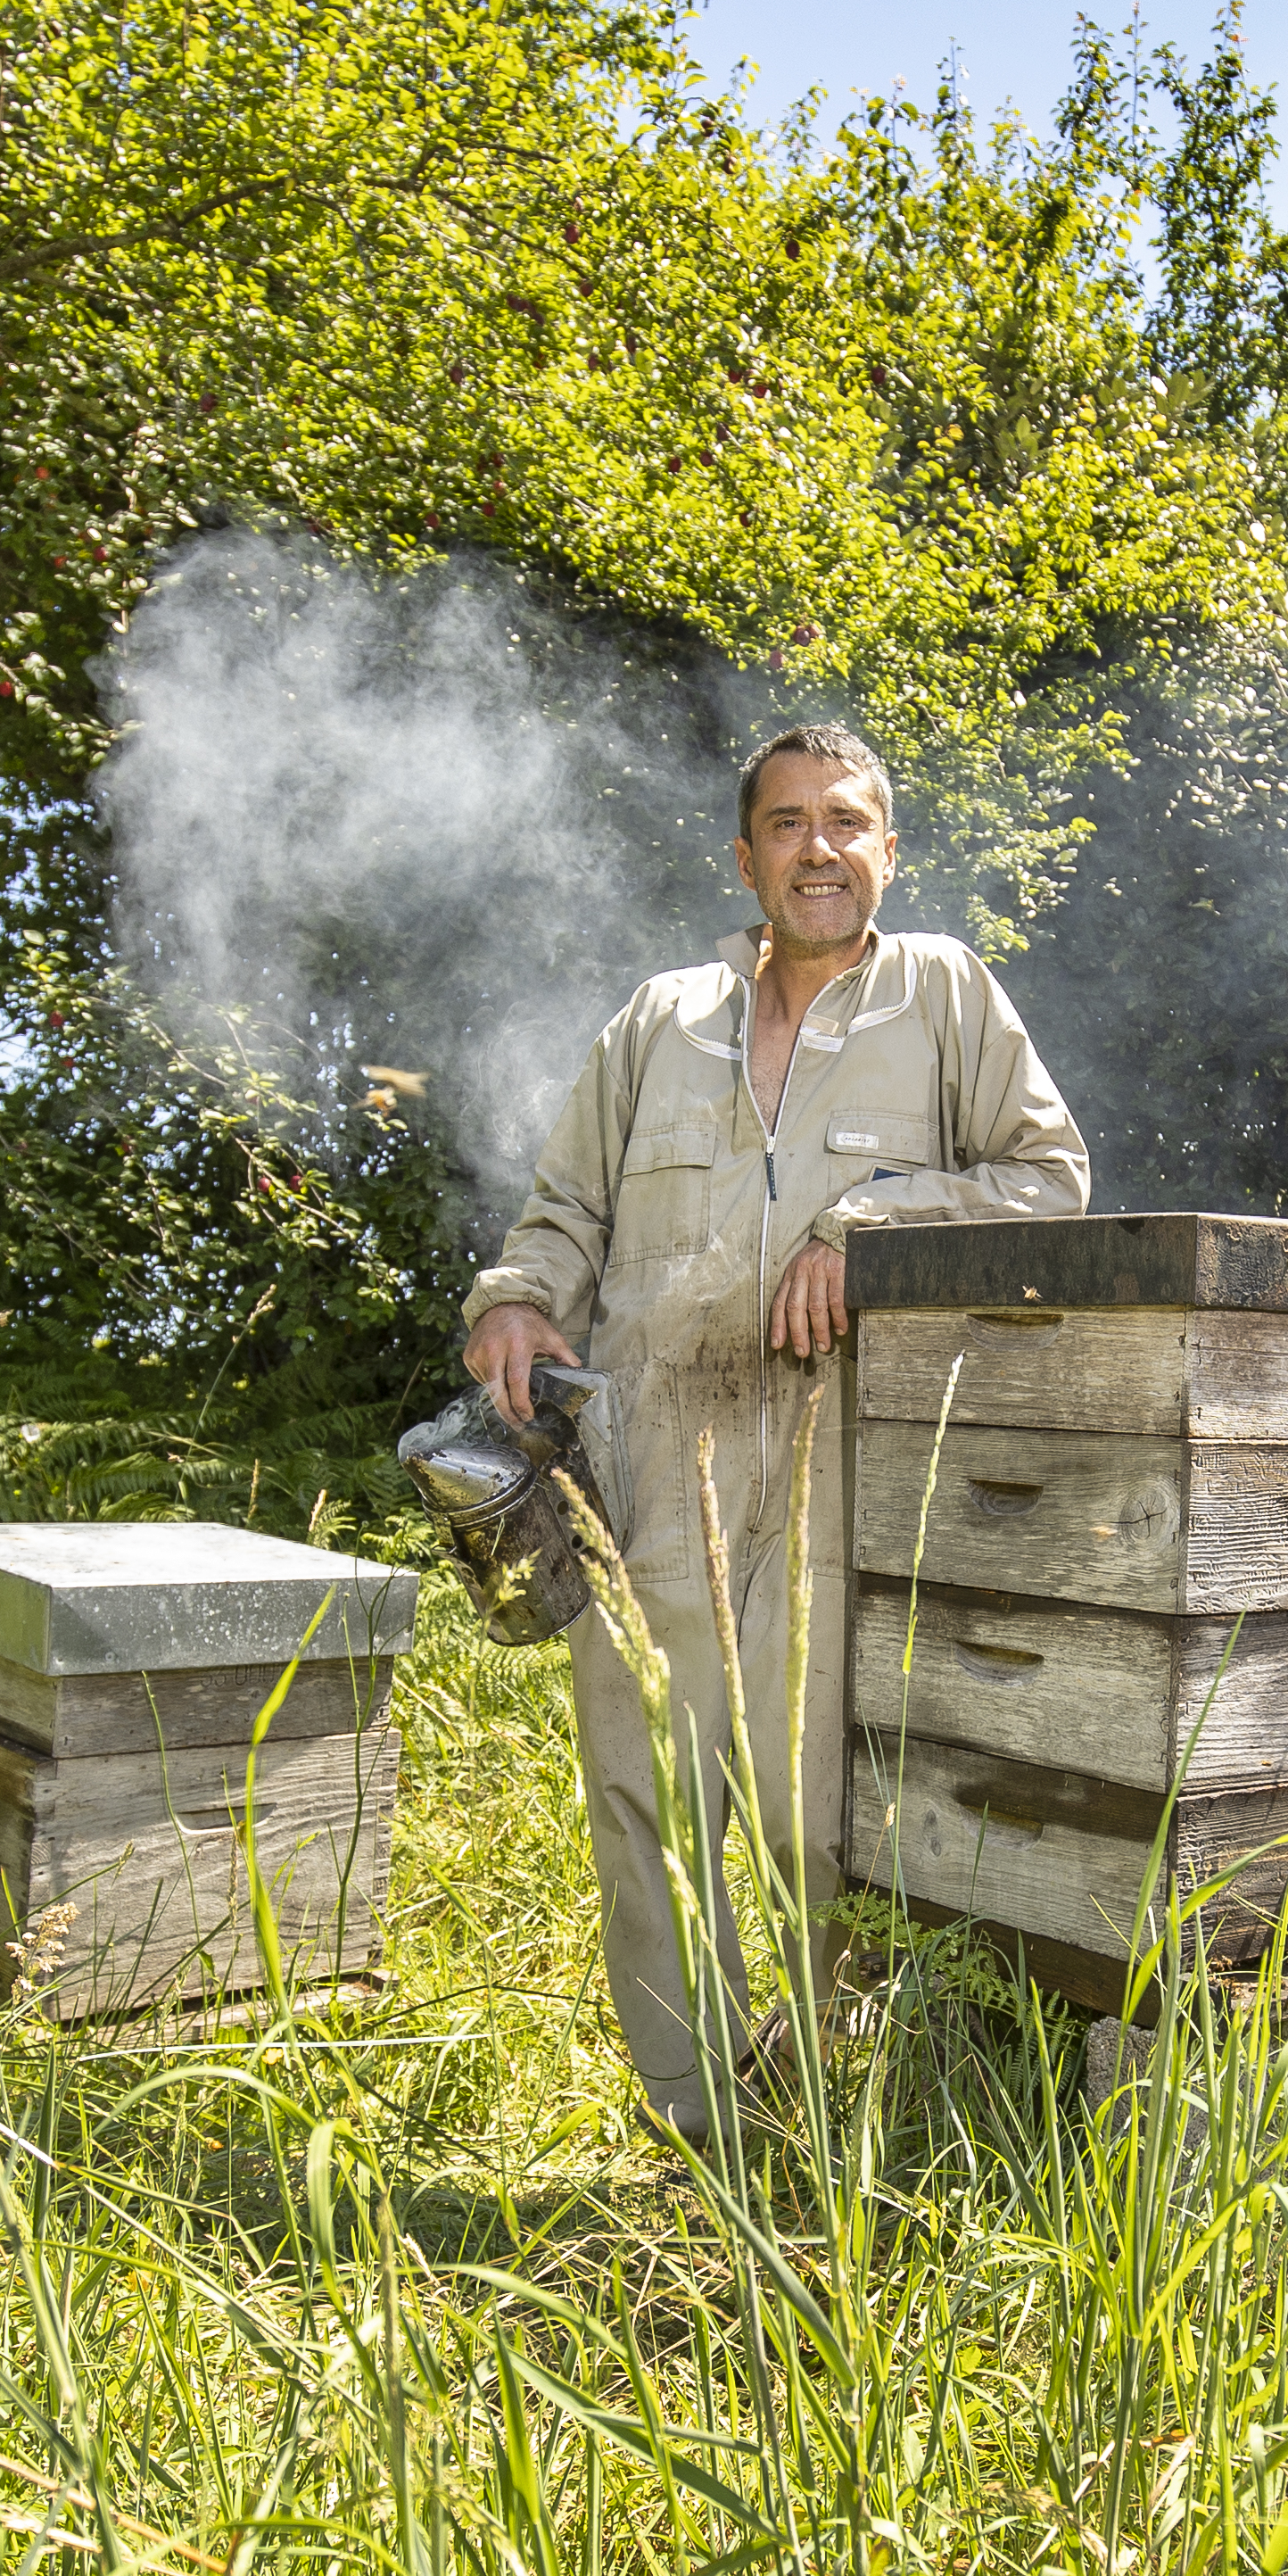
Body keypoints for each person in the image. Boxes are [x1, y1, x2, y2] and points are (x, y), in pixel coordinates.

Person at [460, 725, 1090, 2142]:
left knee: (819, 1829)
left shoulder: (945, 994)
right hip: (644, 1470)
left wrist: (872, 1229)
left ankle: (820, 2116)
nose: (822, 848)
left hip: (833, 1469)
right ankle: (706, 2142)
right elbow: (563, 1212)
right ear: (746, 860)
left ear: (886, 850)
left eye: (848, 822)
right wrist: (513, 1304)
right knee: (650, 1821)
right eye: (791, 824)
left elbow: (1049, 1180)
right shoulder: (659, 1020)